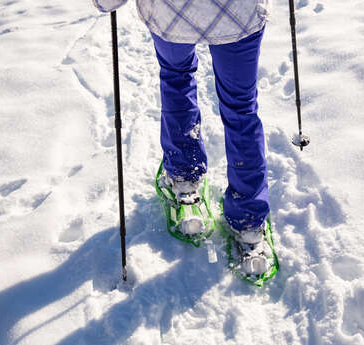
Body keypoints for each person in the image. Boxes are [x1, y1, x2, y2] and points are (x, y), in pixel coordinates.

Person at [94, 0, 274, 276]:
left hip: (172, 13)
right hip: (239, 13)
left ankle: (185, 180)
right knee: (241, 107)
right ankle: (248, 220)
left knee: (177, 78)